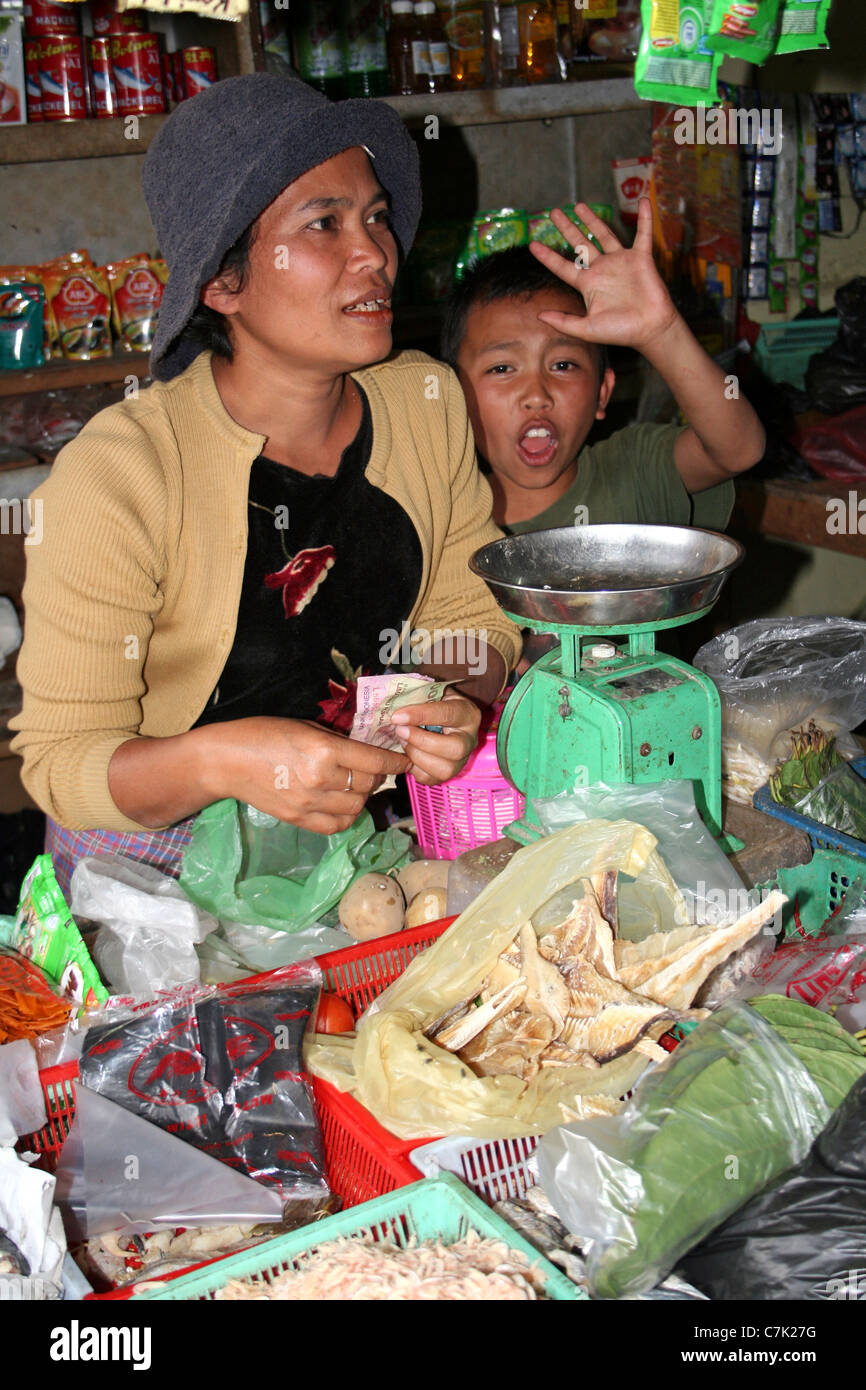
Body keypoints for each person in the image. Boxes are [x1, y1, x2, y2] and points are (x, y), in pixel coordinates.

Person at [10, 74, 521, 894]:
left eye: (377, 217)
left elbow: (469, 611)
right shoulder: (122, 474)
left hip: (354, 854)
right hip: (153, 878)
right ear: (224, 285)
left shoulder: (424, 402)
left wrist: (453, 695)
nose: (375, 255)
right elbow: (65, 762)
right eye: (324, 224)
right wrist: (222, 758)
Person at [441, 201, 766, 535]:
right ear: (454, 396)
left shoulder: (634, 471)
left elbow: (738, 450)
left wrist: (662, 334)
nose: (536, 395)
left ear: (601, 392)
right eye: (502, 369)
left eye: (563, 364)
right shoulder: (440, 526)